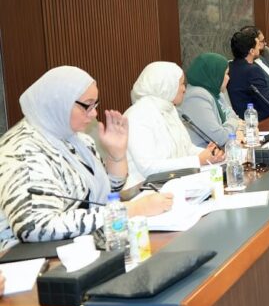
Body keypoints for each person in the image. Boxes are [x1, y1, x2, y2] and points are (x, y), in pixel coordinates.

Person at [0, 67, 172, 252]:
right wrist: (131, 210)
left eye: (95, 105)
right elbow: (35, 227)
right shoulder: (21, 151)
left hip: (84, 244)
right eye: (87, 105)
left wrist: (116, 155)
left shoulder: (77, 140)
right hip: (32, 258)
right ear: (59, 102)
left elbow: (107, 195)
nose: (94, 114)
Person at [125, 62, 223, 185]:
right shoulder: (137, 116)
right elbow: (149, 168)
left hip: (175, 183)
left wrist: (209, 155)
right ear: (166, 86)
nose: (184, 89)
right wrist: (197, 160)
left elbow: (187, 148)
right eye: (181, 84)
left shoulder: (170, 109)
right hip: (147, 190)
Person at [178, 53, 242, 148]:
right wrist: (234, 123)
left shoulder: (216, 92)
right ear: (214, 74)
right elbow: (220, 138)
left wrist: (232, 124)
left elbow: (232, 115)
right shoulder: (196, 97)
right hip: (203, 153)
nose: (228, 78)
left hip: (220, 151)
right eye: (226, 74)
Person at [227, 30, 269, 120]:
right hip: (257, 119)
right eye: (257, 45)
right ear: (252, 51)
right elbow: (268, 104)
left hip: (242, 117)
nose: (259, 48)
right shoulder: (252, 70)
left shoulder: (230, 67)